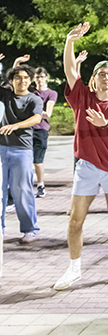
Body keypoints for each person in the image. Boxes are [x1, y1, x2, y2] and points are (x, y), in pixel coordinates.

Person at [55, 23, 108, 290]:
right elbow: (69, 70)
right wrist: (69, 40)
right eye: (101, 73)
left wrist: (106, 124)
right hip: (86, 166)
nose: (106, 76)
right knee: (75, 219)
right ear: (94, 77)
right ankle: (74, 268)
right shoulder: (82, 97)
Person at [1, 62, 43, 243]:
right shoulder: (5, 95)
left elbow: (37, 118)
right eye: (18, 77)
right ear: (11, 81)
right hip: (1, 149)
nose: (22, 81)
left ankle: (29, 229)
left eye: (26, 78)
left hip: (22, 150)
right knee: (0, 191)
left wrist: (17, 125)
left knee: (22, 190)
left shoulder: (34, 99)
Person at [29, 66, 57, 199]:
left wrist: (31, 111)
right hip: (27, 129)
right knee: (24, 159)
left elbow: (48, 114)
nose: (40, 79)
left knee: (37, 160)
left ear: (47, 77)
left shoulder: (51, 93)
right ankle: (26, 186)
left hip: (41, 130)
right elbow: (13, 79)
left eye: (42, 76)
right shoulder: (30, 91)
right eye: (37, 77)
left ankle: (41, 186)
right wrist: (17, 61)